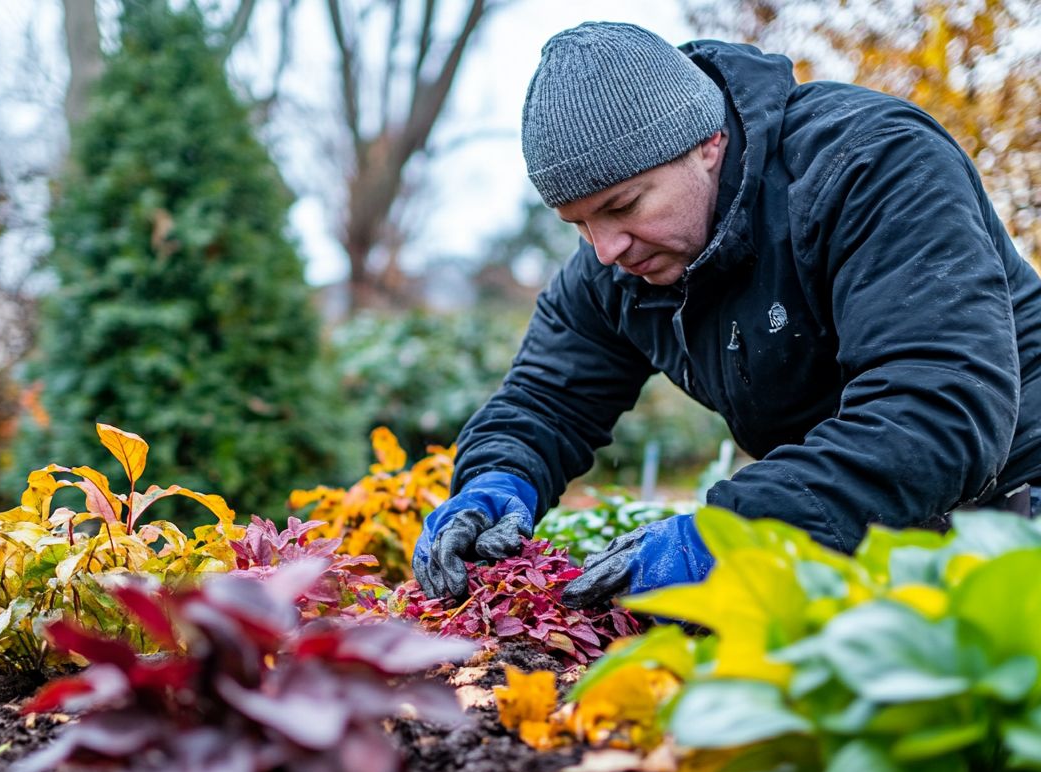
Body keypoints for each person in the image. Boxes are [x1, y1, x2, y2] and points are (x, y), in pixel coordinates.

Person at [412, 21, 1041, 607]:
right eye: (578, 224)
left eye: (623, 205)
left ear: (709, 143)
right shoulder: (620, 266)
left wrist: (728, 535)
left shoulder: (871, 165)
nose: (606, 249)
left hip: (1009, 498)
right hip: (851, 519)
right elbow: (546, 400)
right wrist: (497, 481)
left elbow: (934, 413)